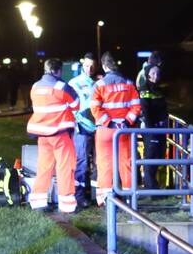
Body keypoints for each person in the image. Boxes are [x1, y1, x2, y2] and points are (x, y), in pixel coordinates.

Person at [26, 58, 79, 214]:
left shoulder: (35, 87)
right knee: (65, 167)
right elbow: (76, 104)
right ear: (58, 71)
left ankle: (37, 202)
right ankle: (67, 205)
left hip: (42, 135)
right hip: (60, 134)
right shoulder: (62, 86)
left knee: (44, 168)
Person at [91, 52, 141, 207]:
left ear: (105, 66)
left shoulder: (99, 85)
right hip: (125, 130)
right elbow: (136, 106)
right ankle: (129, 197)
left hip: (106, 130)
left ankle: (106, 199)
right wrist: (126, 122)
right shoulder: (128, 83)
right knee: (126, 162)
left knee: (105, 163)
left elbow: (95, 108)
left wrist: (108, 123)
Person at [68, 53, 98, 208]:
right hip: (83, 128)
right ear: (82, 65)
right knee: (82, 163)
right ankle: (79, 196)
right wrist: (77, 122)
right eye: (87, 65)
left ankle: (97, 196)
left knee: (99, 164)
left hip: (99, 128)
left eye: (92, 66)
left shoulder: (100, 82)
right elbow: (70, 106)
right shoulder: (74, 83)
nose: (89, 69)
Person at [136, 51, 168, 189]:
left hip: (160, 128)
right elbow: (145, 110)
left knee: (159, 154)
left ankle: (153, 184)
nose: (156, 76)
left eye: (158, 73)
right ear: (148, 74)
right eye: (153, 74)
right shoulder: (144, 87)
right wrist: (151, 130)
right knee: (150, 156)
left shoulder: (159, 90)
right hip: (151, 128)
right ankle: (150, 188)